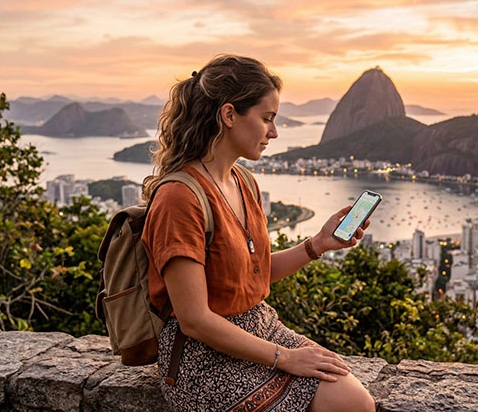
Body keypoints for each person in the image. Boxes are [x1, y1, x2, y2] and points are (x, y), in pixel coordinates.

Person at [141, 55, 376, 412]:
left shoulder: (244, 182)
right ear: (230, 114)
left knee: (355, 401)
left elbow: (249, 276)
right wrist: (285, 358)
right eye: (267, 118)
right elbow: (195, 320)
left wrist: (318, 244)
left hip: (261, 328)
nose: (274, 132)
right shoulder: (180, 198)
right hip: (203, 360)